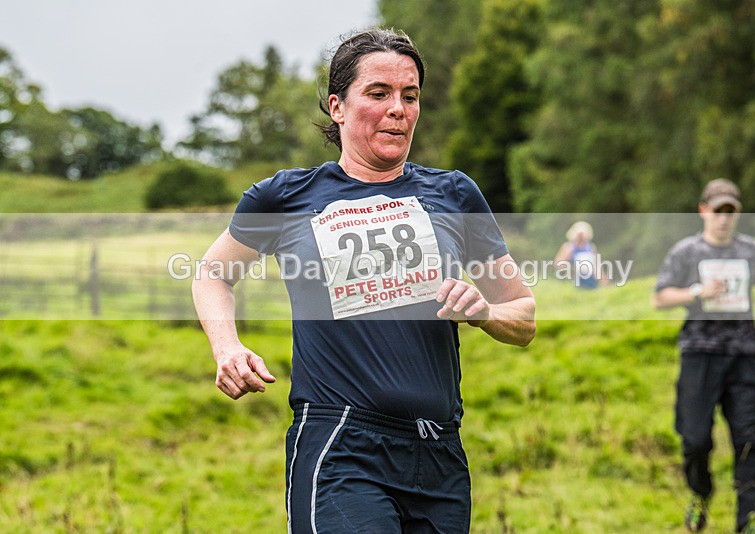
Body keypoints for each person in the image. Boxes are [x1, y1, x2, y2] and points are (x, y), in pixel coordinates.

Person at [192, 28, 536, 533]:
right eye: (378, 93)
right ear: (338, 107)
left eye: (410, 96)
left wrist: (484, 312)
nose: (398, 109)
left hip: (438, 452)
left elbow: (523, 314)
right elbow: (212, 273)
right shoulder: (286, 196)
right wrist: (226, 347)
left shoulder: (454, 194)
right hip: (341, 446)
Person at [652, 178, 755, 533]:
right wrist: (697, 291)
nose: (724, 219)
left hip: (743, 355)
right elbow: (659, 296)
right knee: (694, 438)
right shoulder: (686, 252)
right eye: (718, 211)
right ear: (703, 211)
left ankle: (753, 519)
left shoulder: (752, 249)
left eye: (731, 212)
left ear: (737, 214)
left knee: (750, 439)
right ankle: (699, 492)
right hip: (699, 355)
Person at [555, 220, 602, 288]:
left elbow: (597, 265)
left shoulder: (591, 247)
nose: (581, 237)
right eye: (579, 235)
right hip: (574, 279)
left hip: (591, 280)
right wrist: (567, 258)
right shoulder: (568, 247)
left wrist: (602, 278)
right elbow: (558, 264)